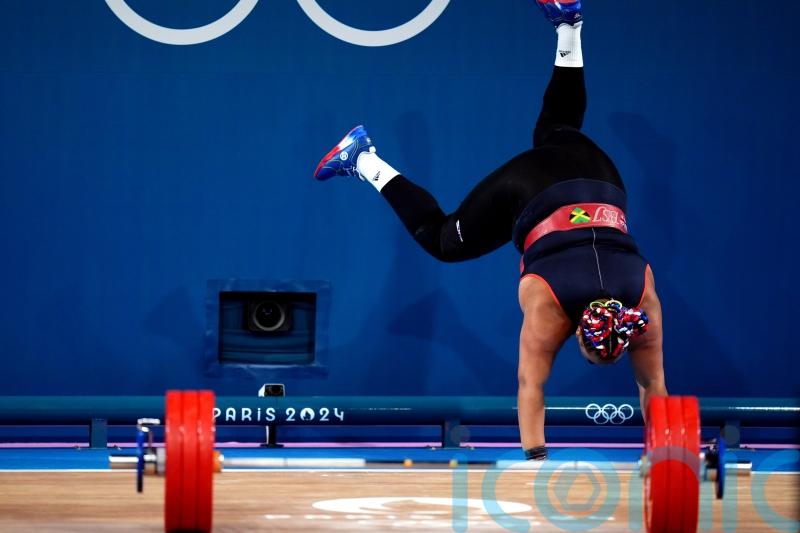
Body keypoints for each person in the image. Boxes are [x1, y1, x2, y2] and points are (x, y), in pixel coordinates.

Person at [313, 0, 667, 461]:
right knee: (441, 239)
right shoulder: (549, 308)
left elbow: (653, 385)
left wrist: (661, 457)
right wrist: (536, 462)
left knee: (557, 127)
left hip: (600, 179)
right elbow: (531, 386)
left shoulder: (643, 300)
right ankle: (361, 157)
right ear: (577, 332)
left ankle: (570, 25)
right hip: (535, 190)